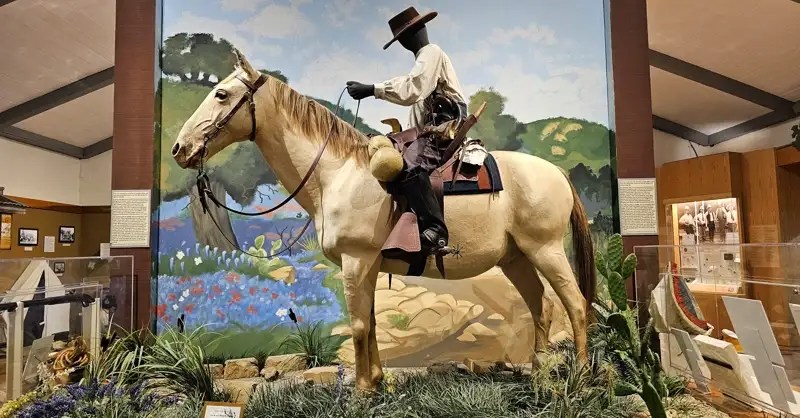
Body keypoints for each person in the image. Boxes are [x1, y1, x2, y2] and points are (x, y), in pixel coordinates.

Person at [346, 6, 467, 253]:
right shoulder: (428, 61)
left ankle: (436, 231)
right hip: (431, 127)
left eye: (405, 36)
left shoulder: (431, 53)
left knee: (409, 168)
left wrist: (373, 89)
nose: (405, 42)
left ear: (414, 34)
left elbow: (412, 87)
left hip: (444, 125)